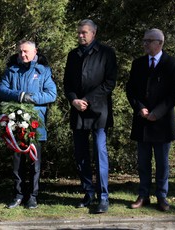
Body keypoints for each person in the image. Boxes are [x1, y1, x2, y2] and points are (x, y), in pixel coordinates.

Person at [126, 28, 175, 212]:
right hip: (142, 120)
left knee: (162, 163)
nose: (144, 44)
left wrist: (156, 113)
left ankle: (161, 196)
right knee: (143, 162)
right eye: (144, 40)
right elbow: (131, 90)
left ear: (159, 43)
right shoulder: (138, 64)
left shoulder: (173, 64)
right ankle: (143, 195)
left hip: (162, 122)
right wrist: (140, 107)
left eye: (148, 41)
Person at [63, 19, 117, 213]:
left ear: (94, 32)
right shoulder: (73, 55)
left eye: (84, 32)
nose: (80, 35)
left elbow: (110, 83)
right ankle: (88, 193)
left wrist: (87, 99)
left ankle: (103, 196)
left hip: (98, 111)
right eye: (78, 32)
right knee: (81, 155)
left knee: (100, 153)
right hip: (78, 111)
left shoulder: (106, 53)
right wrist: (74, 100)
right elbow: (67, 84)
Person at [0, 40, 57, 209]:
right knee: (17, 162)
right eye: (21, 52)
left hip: (35, 124)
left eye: (26, 52)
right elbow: (1, 90)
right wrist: (20, 96)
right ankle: (18, 195)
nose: (23, 55)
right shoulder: (12, 70)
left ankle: (33, 196)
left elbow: (51, 94)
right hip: (15, 123)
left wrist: (32, 98)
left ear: (35, 52)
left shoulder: (43, 71)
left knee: (34, 161)